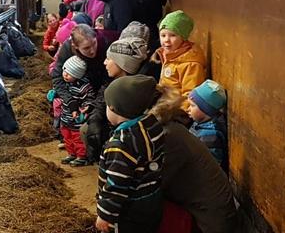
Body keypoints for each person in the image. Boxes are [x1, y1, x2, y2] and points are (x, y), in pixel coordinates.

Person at [93, 75, 174, 233]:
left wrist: (105, 215)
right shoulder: (151, 126)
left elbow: (116, 185)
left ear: (115, 109)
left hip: (128, 211)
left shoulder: (121, 144)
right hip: (151, 202)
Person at [150, 100, 237, 233]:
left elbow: (152, 185)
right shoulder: (172, 129)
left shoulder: (167, 137)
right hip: (212, 224)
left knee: (141, 207)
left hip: (210, 229)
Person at [80, 22, 151, 163]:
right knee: (87, 129)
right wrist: (95, 119)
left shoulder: (140, 86)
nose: (104, 63)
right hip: (113, 125)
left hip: (126, 134)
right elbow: (103, 97)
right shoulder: (113, 76)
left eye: (109, 59)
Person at [152, 10, 206, 108]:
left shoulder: (191, 64)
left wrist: (179, 113)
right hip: (164, 105)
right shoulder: (168, 55)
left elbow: (190, 95)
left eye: (173, 35)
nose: (166, 40)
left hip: (176, 110)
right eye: (163, 35)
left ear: (183, 37)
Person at [57, 56, 96, 167]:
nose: (65, 75)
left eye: (70, 73)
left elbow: (89, 99)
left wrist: (86, 107)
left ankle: (81, 156)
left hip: (76, 120)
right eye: (65, 71)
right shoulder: (65, 84)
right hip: (65, 118)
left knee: (77, 138)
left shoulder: (83, 87)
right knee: (67, 138)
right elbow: (63, 95)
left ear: (78, 75)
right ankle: (72, 154)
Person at [187, 79, 228, 170]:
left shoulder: (210, 135)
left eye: (192, 105)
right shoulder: (200, 123)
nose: (188, 109)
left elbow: (211, 166)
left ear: (206, 109)